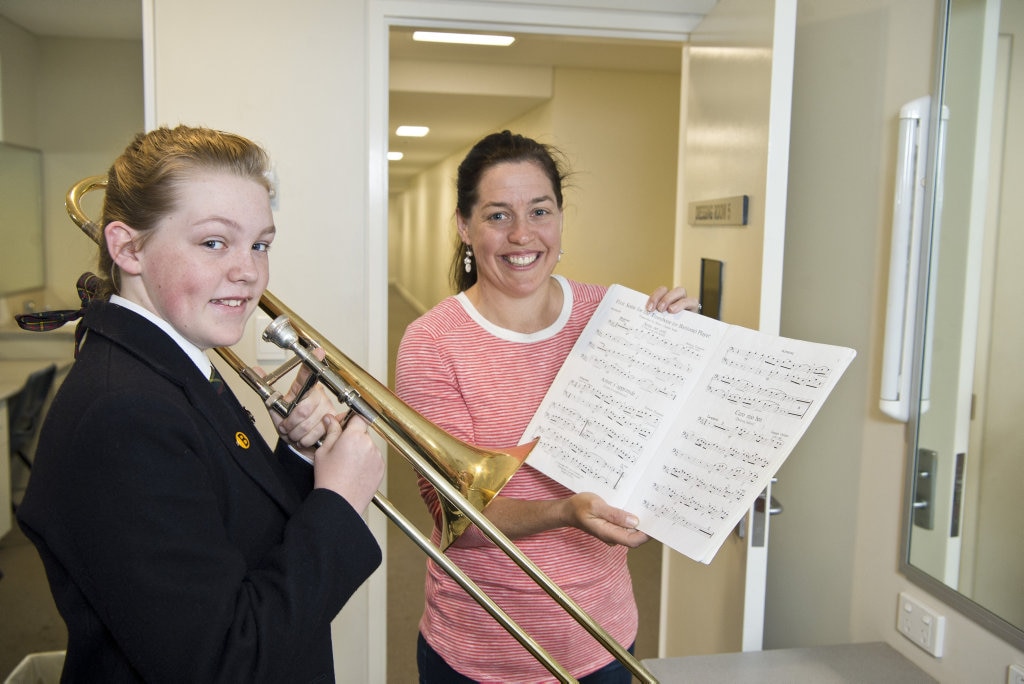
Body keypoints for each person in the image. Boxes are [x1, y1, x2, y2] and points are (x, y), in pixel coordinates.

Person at [15, 125, 385, 682]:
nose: (249, 271)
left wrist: (299, 457)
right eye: (215, 242)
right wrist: (339, 502)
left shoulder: (167, 363)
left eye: (260, 243)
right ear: (128, 247)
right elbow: (222, 662)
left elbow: (231, 535)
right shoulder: (125, 413)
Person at [394, 130, 698, 683]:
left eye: (540, 211)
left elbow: (657, 445)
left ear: (560, 218)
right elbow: (453, 515)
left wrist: (689, 347)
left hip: (602, 635)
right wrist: (563, 511)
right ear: (464, 226)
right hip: (480, 650)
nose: (522, 235)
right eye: (497, 216)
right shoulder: (432, 343)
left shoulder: (610, 315)